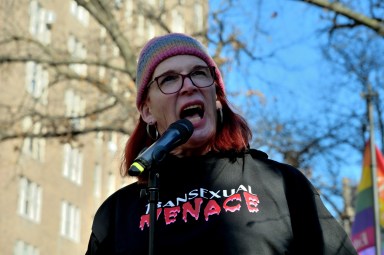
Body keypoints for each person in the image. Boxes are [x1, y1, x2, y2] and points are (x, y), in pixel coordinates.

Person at [85, 33, 357, 255]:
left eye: (200, 74)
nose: (188, 86)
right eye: (169, 79)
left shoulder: (282, 185)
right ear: (147, 111)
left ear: (216, 96)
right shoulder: (117, 214)